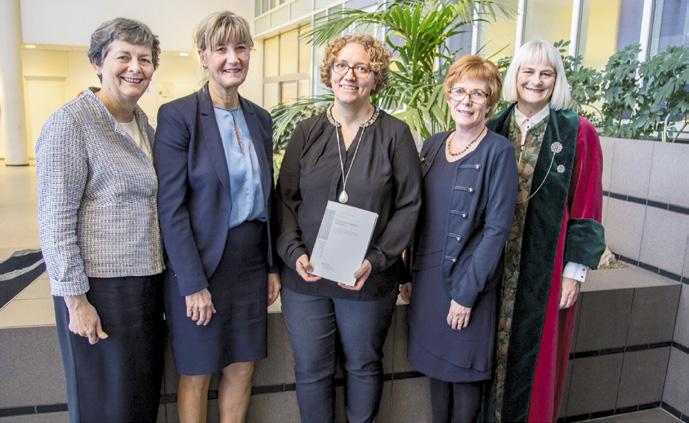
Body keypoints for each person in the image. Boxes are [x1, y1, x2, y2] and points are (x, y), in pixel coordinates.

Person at [276, 34, 422, 423]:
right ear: (330, 72)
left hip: (368, 279)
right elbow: (285, 199)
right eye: (341, 65)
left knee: (362, 365)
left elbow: (409, 205)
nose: (350, 75)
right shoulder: (307, 132)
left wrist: (376, 260)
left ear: (375, 78)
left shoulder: (396, 134)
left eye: (362, 67)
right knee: (311, 371)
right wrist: (294, 254)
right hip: (307, 277)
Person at [154, 11, 280, 423]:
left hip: (248, 264)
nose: (233, 58)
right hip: (201, 264)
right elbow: (171, 209)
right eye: (221, 49)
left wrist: (271, 266)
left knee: (243, 365)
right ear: (203, 56)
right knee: (197, 371)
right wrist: (192, 285)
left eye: (241, 48)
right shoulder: (178, 117)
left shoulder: (260, 119)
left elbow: (269, 198)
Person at [36, 17, 164, 422]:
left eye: (144, 59)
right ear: (97, 62)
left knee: (138, 398)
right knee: (103, 403)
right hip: (98, 291)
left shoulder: (144, 124)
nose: (135, 68)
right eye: (123, 56)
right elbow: (55, 223)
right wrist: (76, 300)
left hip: (145, 284)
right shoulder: (71, 124)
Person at [486, 40, 606, 422]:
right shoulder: (493, 127)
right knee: (486, 360)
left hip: (546, 272)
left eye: (546, 73)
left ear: (557, 80)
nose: (536, 81)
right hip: (492, 270)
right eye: (528, 71)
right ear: (514, 76)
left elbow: (587, 204)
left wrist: (575, 272)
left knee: (535, 367)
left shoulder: (578, 133)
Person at [399, 55, 517, 423]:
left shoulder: (499, 151)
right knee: (436, 378)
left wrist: (466, 295)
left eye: (478, 93)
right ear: (448, 95)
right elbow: (415, 214)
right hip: (428, 281)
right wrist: (407, 273)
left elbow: (497, 229)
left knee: (465, 387)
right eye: (460, 91)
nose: (467, 100)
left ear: (490, 102)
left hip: (468, 285)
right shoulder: (432, 145)